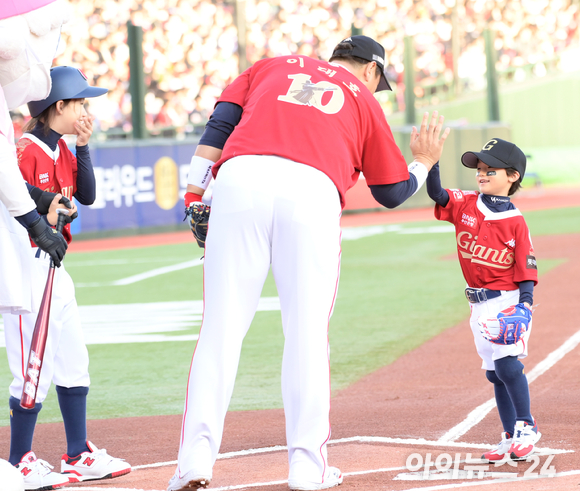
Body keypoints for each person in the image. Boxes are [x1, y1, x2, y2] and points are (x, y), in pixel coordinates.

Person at [170, 35, 449, 491]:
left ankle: (193, 462)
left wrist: (193, 196)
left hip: (240, 179)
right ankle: (305, 467)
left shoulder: (270, 65)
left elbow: (219, 126)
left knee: (219, 330)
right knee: (305, 335)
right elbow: (391, 193)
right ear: (372, 71)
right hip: (311, 191)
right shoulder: (362, 97)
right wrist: (422, 162)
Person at [3, 66, 131, 490]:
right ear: (59, 106)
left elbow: (87, 195)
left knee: (74, 360)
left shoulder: (58, 147)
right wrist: (41, 218)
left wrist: (83, 146)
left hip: (55, 267)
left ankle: (77, 454)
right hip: (26, 267)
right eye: (80, 102)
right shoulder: (23, 148)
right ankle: (19, 459)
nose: (85, 108)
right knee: (31, 368)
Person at [426, 138, 540, 462]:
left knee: (507, 365)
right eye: (480, 168)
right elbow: (438, 194)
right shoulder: (466, 204)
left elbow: (526, 267)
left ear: (513, 176)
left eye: (491, 169)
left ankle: (527, 427)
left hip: (507, 300)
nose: (482, 173)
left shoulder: (516, 221)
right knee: (494, 372)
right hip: (477, 304)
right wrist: (432, 163)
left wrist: (526, 305)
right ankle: (509, 436)